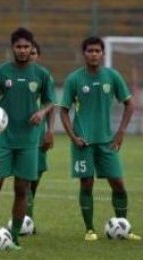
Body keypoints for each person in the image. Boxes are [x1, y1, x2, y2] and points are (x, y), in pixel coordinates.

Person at [0, 27, 55, 250]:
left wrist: (42, 112)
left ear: (32, 48)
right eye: (18, 46)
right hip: (3, 139)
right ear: (12, 48)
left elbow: (50, 102)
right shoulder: (0, 73)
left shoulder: (41, 74)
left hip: (29, 142)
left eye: (26, 47)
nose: (22, 50)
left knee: (22, 189)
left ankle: (15, 237)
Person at [59, 36, 141, 241]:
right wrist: (73, 137)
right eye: (90, 51)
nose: (94, 54)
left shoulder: (112, 76)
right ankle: (90, 229)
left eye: (97, 51)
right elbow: (63, 111)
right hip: (83, 143)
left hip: (107, 141)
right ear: (84, 53)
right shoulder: (74, 79)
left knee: (118, 183)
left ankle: (124, 228)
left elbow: (129, 103)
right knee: (86, 184)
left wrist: (121, 132)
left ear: (103, 54)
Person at [26, 40, 55, 232]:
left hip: (38, 136)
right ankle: (25, 220)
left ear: (38, 56)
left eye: (34, 52)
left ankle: (27, 219)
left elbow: (51, 106)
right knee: (25, 179)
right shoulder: (13, 74)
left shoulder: (44, 77)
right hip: (18, 135)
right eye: (29, 52)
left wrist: (50, 131)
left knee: (35, 179)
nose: (30, 55)